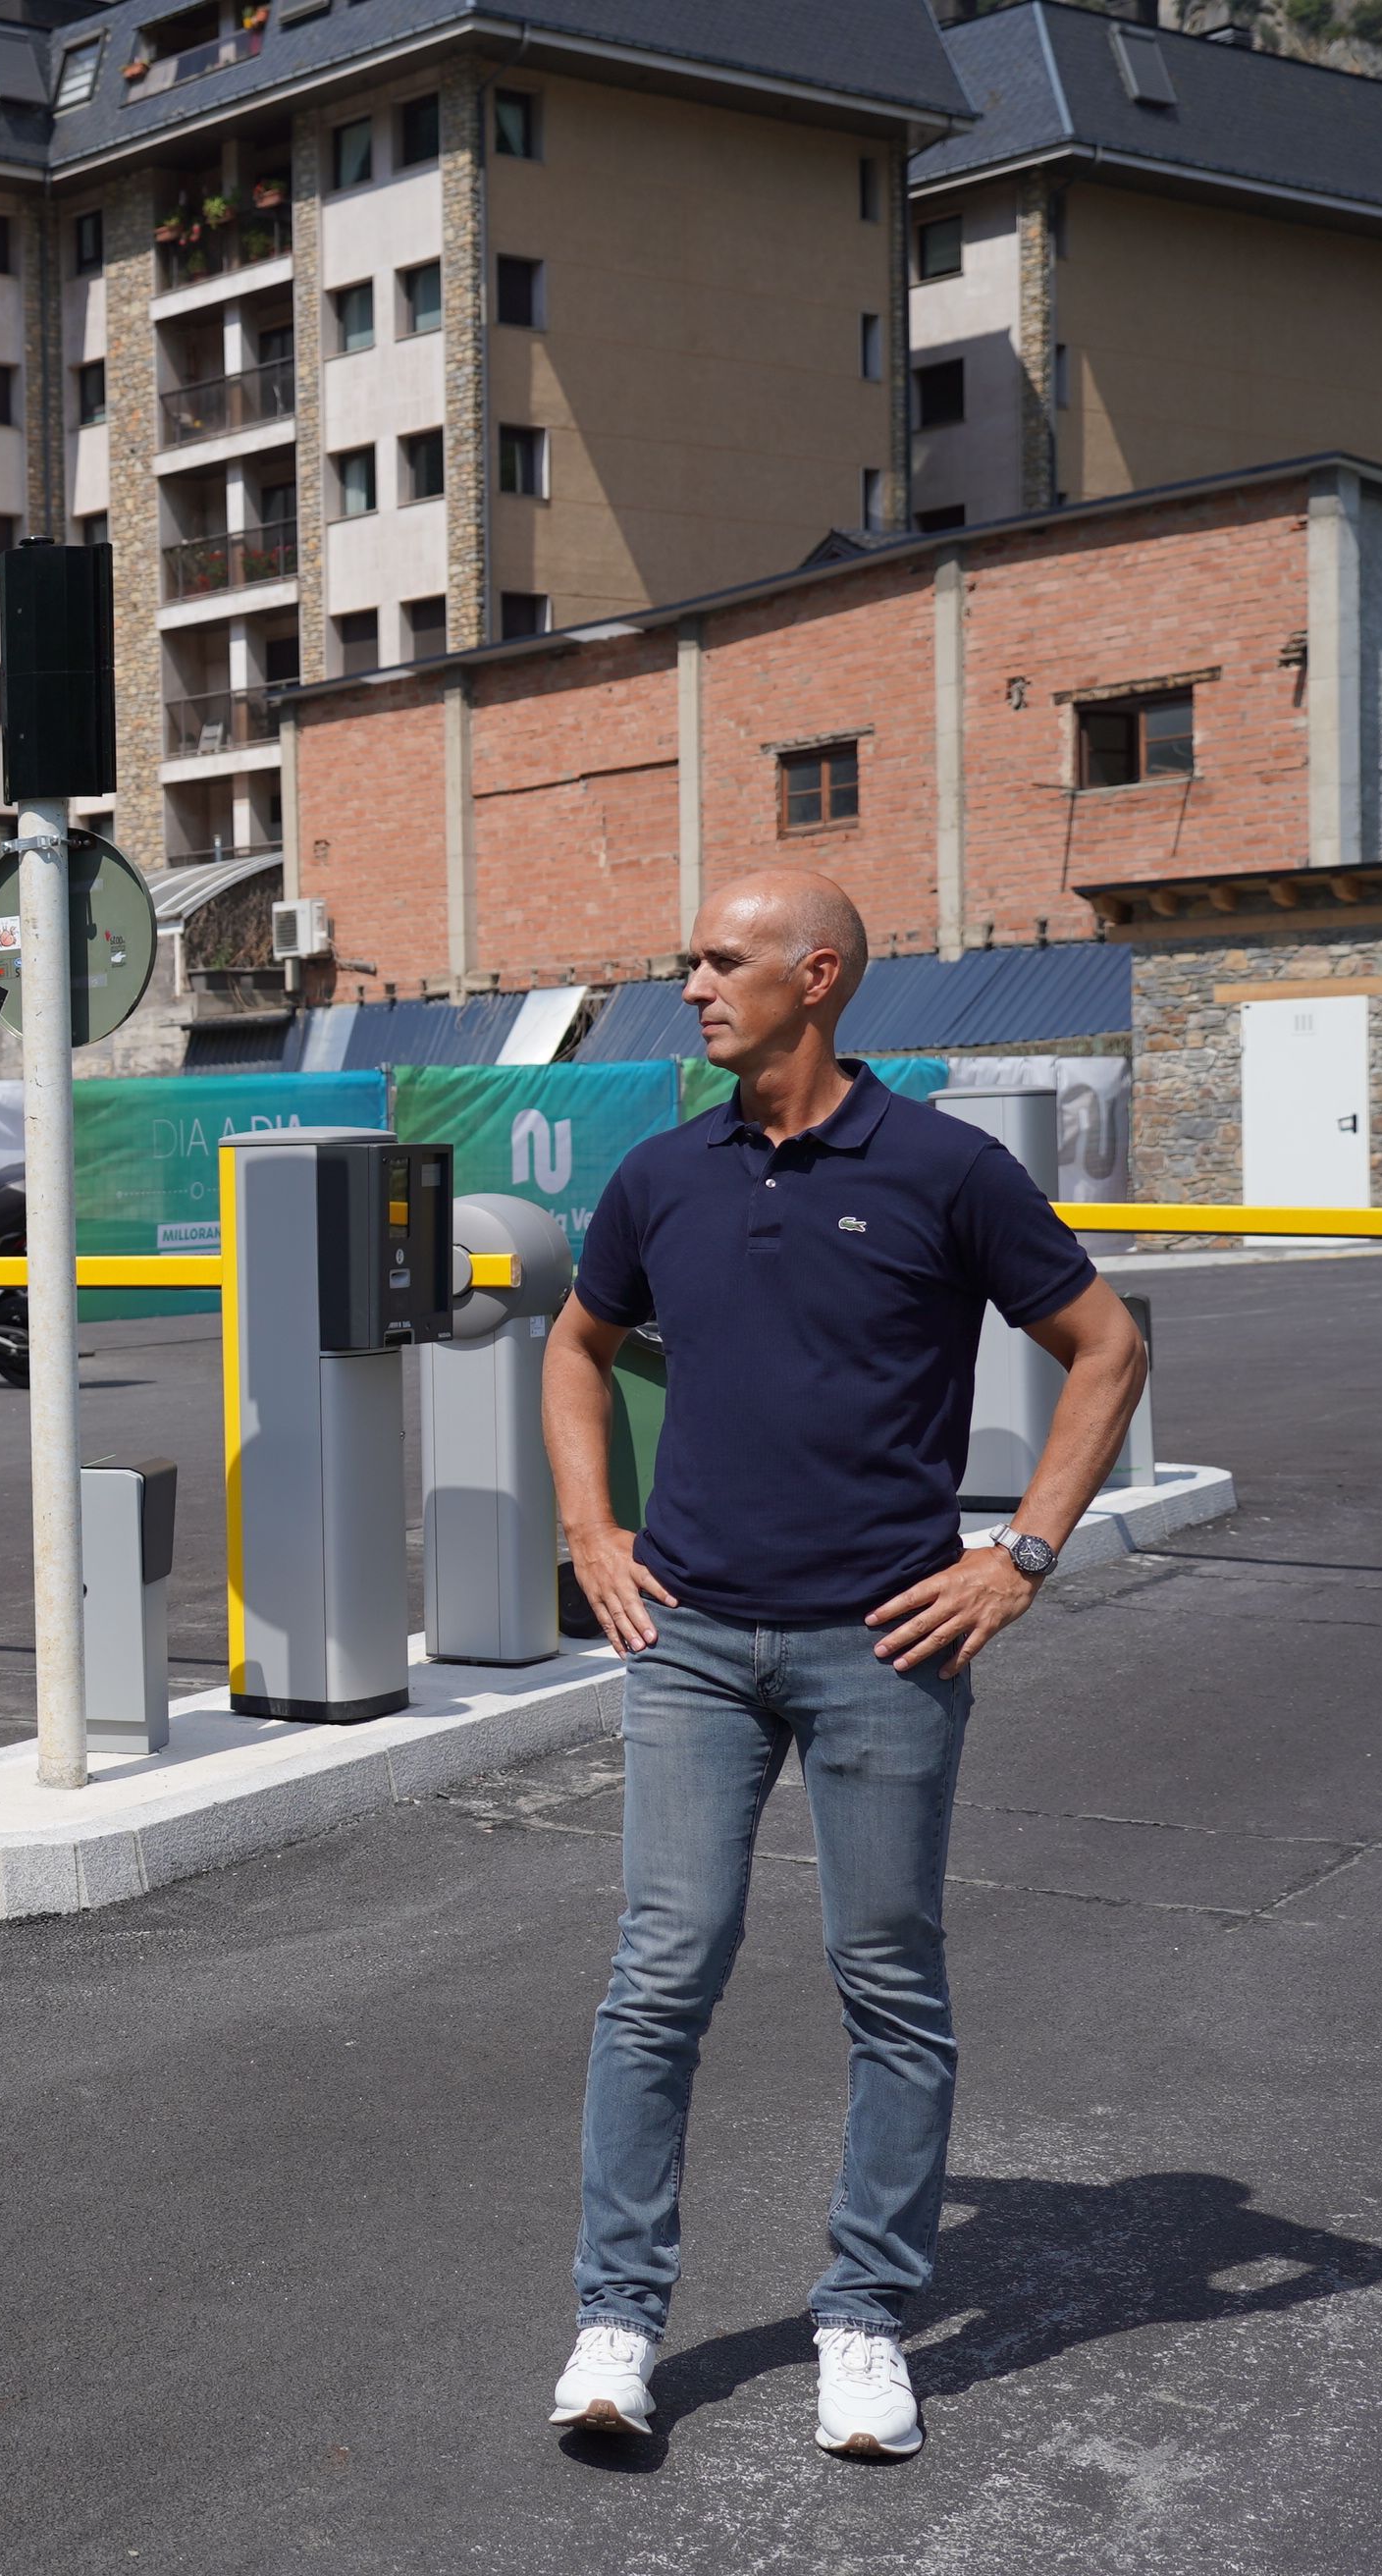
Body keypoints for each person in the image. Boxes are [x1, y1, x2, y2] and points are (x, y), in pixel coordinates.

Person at [541, 870, 1148, 2463]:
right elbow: (573, 1341)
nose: (691, 983)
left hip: (886, 1642)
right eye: (688, 957)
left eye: (720, 959)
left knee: (888, 1982)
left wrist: (1015, 1556)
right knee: (659, 1971)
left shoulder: (946, 1167)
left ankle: (865, 2316)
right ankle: (617, 2320)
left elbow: (1108, 1346)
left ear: (815, 976)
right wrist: (592, 1530)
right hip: (688, 1645)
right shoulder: (666, 1172)